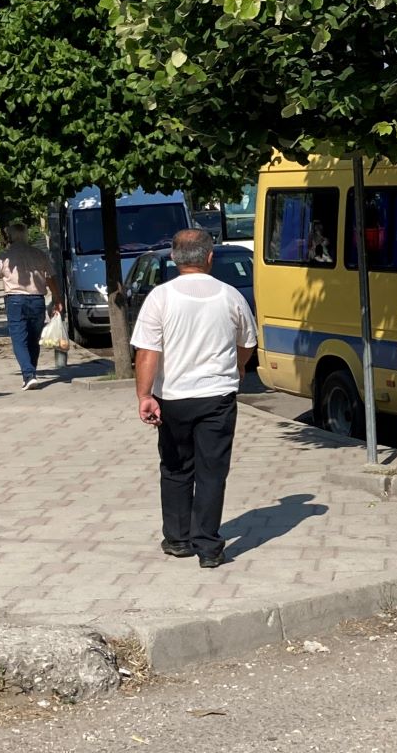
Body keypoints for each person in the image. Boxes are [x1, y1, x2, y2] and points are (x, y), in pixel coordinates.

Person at [131, 228, 256, 569]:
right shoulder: (231, 296)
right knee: (212, 471)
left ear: (174, 258)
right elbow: (247, 342)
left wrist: (144, 395)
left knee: (175, 467)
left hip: (172, 396)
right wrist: (240, 367)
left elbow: (147, 352)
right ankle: (209, 546)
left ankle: (178, 538)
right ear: (210, 257)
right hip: (217, 396)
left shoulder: (160, 297)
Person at [0, 222, 63, 390]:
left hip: (15, 301)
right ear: (26, 235)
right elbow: (50, 278)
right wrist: (57, 299)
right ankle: (30, 373)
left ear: (10, 237)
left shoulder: (4, 256)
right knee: (34, 339)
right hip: (37, 300)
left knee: (19, 339)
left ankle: (29, 375)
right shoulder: (39, 254)